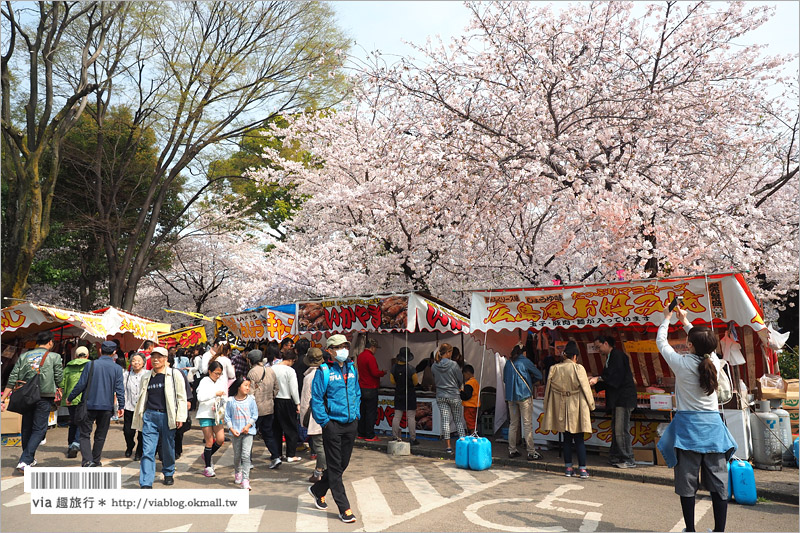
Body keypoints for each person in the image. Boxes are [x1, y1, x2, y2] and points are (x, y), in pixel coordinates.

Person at [657, 306, 736, 533]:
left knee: (687, 483)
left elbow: (661, 343)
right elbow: (705, 344)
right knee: (719, 484)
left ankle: (690, 530)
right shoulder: (712, 359)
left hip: (688, 431)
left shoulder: (681, 364)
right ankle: (719, 530)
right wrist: (686, 321)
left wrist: (668, 318)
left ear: (689, 345)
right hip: (713, 430)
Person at [308, 334, 361, 524]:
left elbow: (356, 392)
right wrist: (326, 423)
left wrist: (357, 415)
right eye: (338, 347)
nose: (343, 350)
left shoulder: (352, 367)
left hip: (351, 423)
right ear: (330, 350)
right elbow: (316, 399)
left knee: (342, 464)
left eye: (345, 346)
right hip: (333, 425)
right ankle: (344, 508)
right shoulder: (323, 371)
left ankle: (318, 490)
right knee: (336, 467)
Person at [1, 330, 64, 472]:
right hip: (44, 395)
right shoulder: (54, 356)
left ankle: (29, 458)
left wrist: (3, 398)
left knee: (27, 427)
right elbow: (59, 376)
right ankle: (25, 460)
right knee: (40, 429)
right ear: (50, 342)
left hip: (26, 395)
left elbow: (12, 377)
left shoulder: (24, 356)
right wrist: (61, 388)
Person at [132, 346, 187, 488]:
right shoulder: (146, 376)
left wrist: (180, 416)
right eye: (154, 357)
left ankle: (168, 472)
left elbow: (181, 397)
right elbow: (142, 397)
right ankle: (146, 481)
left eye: (160, 357)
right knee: (148, 450)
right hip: (150, 416)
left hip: (168, 416)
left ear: (166, 359)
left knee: (168, 448)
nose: (156, 360)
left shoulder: (175, 375)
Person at [541, 340, 595, 479]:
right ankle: (582, 469)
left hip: (561, 406)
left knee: (566, 439)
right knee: (579, 439)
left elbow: (548, 390)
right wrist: (591, 405)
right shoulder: (579, 369)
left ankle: (568, 468)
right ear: (575, 356)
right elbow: (586, 389)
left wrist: (546, 406)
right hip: (576, 406)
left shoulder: (555, 368)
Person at [67, 340, 124, 467]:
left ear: (100, 350)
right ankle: (96, 460)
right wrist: (121, 405)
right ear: (114, 352)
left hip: (89, 405)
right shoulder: (117, 369)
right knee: (101, 435)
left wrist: (70, 397)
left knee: (84, 434)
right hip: (107, 407)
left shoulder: (91, 365)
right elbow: (120, 388)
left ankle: (87, 460)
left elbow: (81, 384)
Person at [588, 334, 638, 468]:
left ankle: (628, 458)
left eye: (599, 347)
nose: (599, 351)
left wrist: (597, 379)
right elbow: (608, 378)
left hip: (623, 398)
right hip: (617, 399)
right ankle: (615, 456)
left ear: (606, 344)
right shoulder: (611, 357)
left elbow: (614, 378)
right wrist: (596, 381)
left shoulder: (618, 356)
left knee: (621, 430)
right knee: (616, 428)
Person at [502, 344, 543, 460]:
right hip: (524, 396)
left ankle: (512, 450)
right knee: (527, 424)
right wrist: (530, 380)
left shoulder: (508, 363)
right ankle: (531, 451)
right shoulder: (525, 361)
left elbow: (505, 379)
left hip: (511, 398)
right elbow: (539, 375)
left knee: (513, 424)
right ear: (523, 352)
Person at [246, 349, 282, 469]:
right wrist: (270, 397)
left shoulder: (252, 373)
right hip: (269, 407)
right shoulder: (270, 370)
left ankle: (248, 461)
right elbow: (277, 388)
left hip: (256, 408)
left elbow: (249, 392)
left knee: (249, 435)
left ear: (251, 360)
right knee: (268, 433)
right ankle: (275, 456)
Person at [431, 343, 466, 455]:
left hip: (441, 395)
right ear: (448, 353)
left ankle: (448, 447)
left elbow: (434, 379)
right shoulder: (454, 365)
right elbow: (460, 379)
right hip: (454, 395)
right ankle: (462, 445)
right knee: (458, 421)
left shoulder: (434, 366)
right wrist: (458, 386)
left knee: (445, 421)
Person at [225, 377, 258, 490]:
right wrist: (232, 428)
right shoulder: (231, 401)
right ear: (239, 386)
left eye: (249, 385)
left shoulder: (251, 400)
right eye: (245, 385)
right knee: (237, 455)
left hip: (248, 432)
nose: (248, 388)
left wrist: (248, 425)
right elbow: (227, 416)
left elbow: (255, 415)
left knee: (246, 455)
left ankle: (245, 479)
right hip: (236, 432)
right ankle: (237, 471)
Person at [196, 360, 228, 477]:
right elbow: (200, 397)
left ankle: (207, 455)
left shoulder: (220, 382)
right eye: (216, 373)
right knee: (209, 441)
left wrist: (221, 405)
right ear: (210, 371)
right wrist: (215, 394)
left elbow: (224, 397)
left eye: (220, 373)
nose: (218, 376)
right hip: (205, 414)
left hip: (217, 414)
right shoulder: (204, 381)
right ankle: (208, 466)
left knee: (220, 439)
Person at [300, 348, 326, 482]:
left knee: (319, 445)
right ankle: (322, 470)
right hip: (328, 413)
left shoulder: (309, 377)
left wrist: (303, 419)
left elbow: (305, 400)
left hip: (316, 414)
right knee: (325, 444)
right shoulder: (326, 372)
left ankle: (319, 472)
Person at [61, 345, 91, 458]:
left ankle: (70, 444)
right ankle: (76, 443)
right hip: (84, 398)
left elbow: (62, 383)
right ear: (87, 355)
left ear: (75, 355)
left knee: (73, 421)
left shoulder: (68, 368)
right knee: (81, 421)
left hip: (70, 399)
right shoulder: (90, 366)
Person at [272, 348, 301, 462]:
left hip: (275, 400)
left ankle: (277, 453)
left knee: (276, 428)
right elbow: (294, 388)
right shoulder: (290, 371)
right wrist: (298, 403)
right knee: (291, 428)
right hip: (287, 400)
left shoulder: (272, 368)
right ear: (291, 360)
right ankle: (290, 454)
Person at [356, 338, 385, 442]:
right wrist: (382, 373)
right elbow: (374, 372)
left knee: (362, 411)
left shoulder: (360, 356)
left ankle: (361, 433)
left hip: (361, 387)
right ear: (372, 347)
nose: (376, 350)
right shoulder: (370, 357)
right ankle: (370, 435)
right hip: (371, 388)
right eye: (375, 348)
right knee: (370, 412)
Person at [390, 347, 418, 444]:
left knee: (397, 416)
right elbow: (415, 382)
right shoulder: (411, 369)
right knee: (411, 417)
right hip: (410, 394)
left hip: (398, 393)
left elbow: (392, 381)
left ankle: (394, 436)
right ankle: (412, 438)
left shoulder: (393, 368)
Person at [122, 352, 147, 460]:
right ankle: (130, 445)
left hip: (143, 408)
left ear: (143, 363)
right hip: (129, 407)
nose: (136, 363)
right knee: (128, 431)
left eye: (139, 361)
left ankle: (139, 452)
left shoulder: (148, 374)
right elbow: (123, 391)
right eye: (133, 360)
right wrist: (121, 405)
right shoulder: (126, 375)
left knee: (142, 432)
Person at [460, 364, 480, 434]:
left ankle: (473, 435)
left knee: (469, 421)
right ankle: (475, 434)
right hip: (475, 404)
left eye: (464, 375)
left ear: (467, 373)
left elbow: (467, 396)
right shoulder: (475, 382)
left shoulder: (469, 383)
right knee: (474, 421)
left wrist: (460, 392)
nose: (464, 377)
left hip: (469, 405)